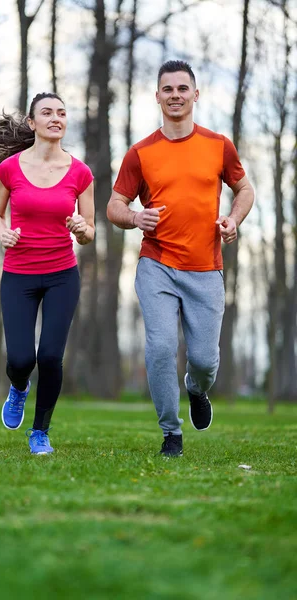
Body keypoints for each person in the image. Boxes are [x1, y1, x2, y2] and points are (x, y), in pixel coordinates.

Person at [107, 60, 254, 458]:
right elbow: (114, 205)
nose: (175, 95)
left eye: (182, 88)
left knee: (205, 360)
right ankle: (171, 432)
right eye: (167, 89)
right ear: (157, 97)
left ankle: (196, 388)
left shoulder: (218, 145)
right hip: (157, 265)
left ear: (195, 94)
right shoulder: (141, 153)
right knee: (159, 348)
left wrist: (232, 219)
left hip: (206, 268)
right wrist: (137, 217)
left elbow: (245, 190)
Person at [0, 92, 95, 454]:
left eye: (62, 113)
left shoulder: (80, 173)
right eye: (47, 113)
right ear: (32, 123)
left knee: (50, 356)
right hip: (18, 275)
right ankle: (18, 388)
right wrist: (2, 232)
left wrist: (81, 229)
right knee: (21, 360)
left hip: (62, 275)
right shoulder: (11, 169)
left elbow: (90, 230)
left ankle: (40, 432)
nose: (56, 118)